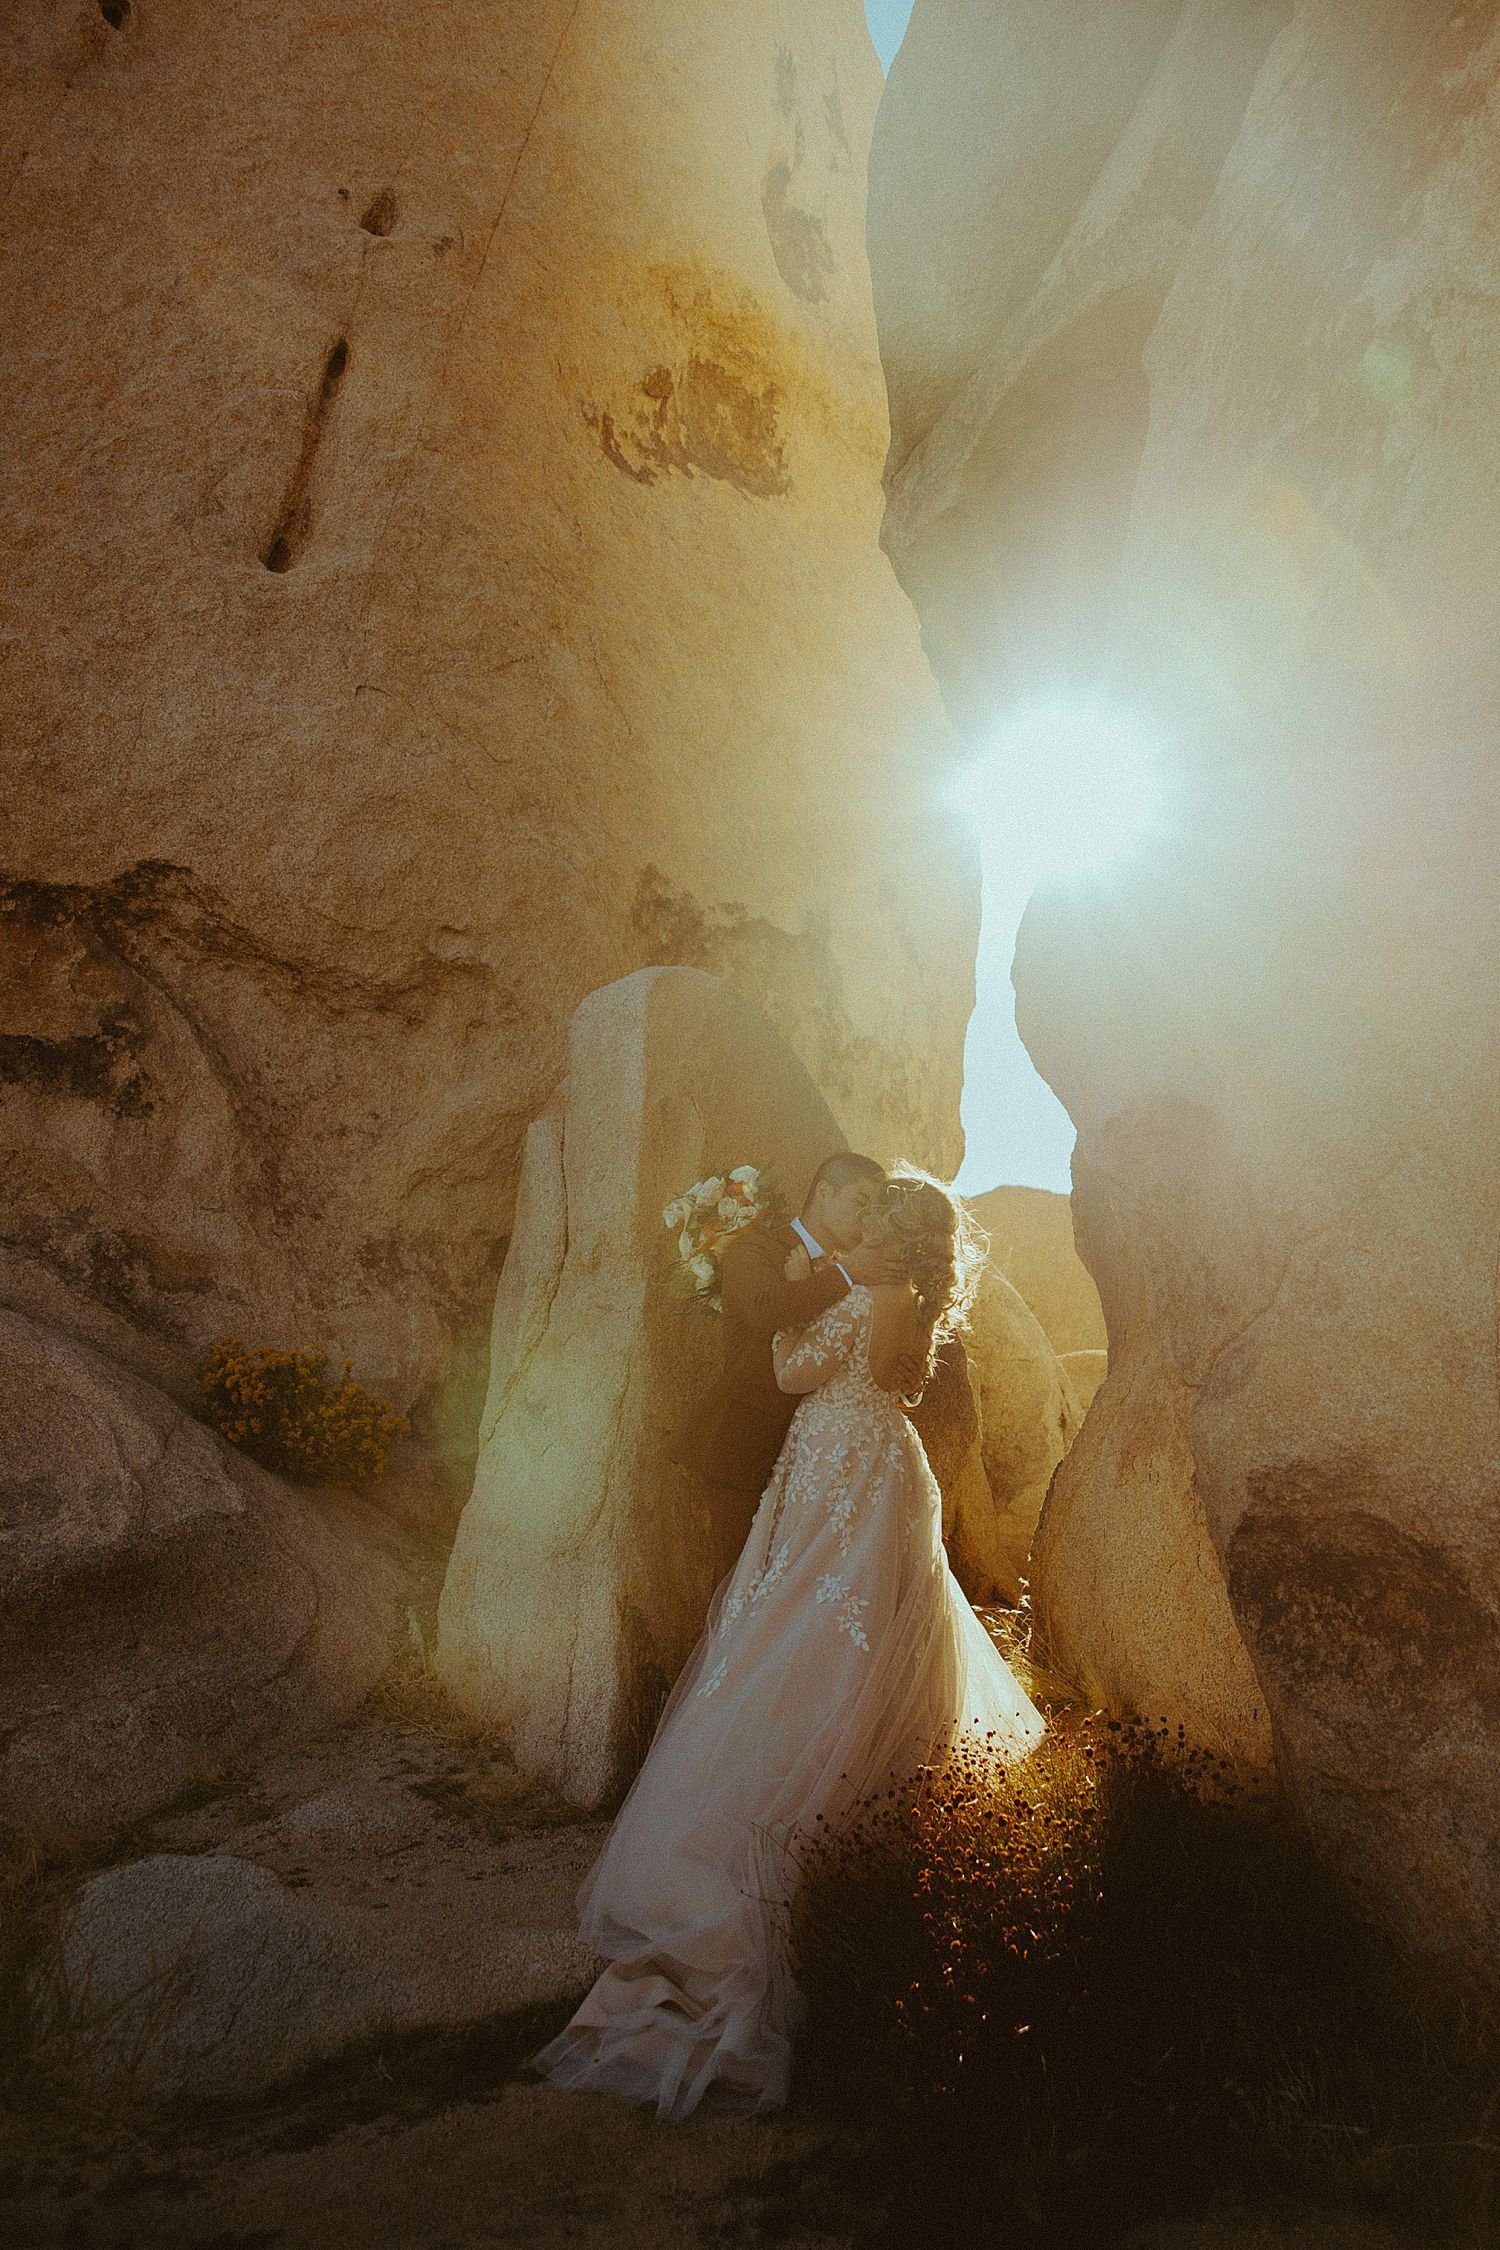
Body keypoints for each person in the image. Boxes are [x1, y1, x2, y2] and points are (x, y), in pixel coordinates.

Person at [529, 1162, 1046, 2120]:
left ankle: (787, 1785)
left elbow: (788, 1368)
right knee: (868, 1617)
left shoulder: (862, 1295)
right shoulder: (916, 1305)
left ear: (893, 1232)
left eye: (878, 1215)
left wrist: (814, 1315)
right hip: (883, 1464)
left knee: (803, 1613)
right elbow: (900, 1384)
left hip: (835, 1461)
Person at [667, 1150, 922, 1581]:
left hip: (818, 1458)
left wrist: (904, 1375)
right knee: (736, 1586)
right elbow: (766, 1311)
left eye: (873, 1209)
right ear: (824, 1192)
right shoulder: (756, 1247)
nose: (866, 1219)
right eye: (861, 1201)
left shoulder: (860, 1269)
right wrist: (845, 1274)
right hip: (744, 1445)